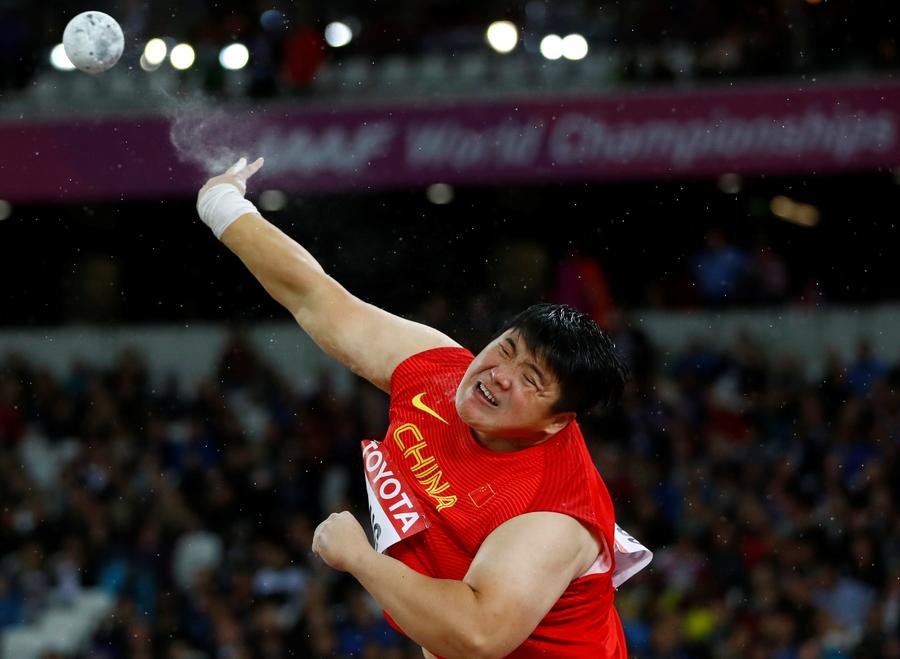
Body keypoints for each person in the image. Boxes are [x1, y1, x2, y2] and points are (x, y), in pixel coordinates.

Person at [195, 158, 651, 659]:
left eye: (530, 379)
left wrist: (359, 560)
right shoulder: (435, 371)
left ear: (556, 422)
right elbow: (317, 298)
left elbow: (478, 634)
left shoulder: (554, 509)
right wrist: (222, 207)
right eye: (507, 348)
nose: (500, 372)